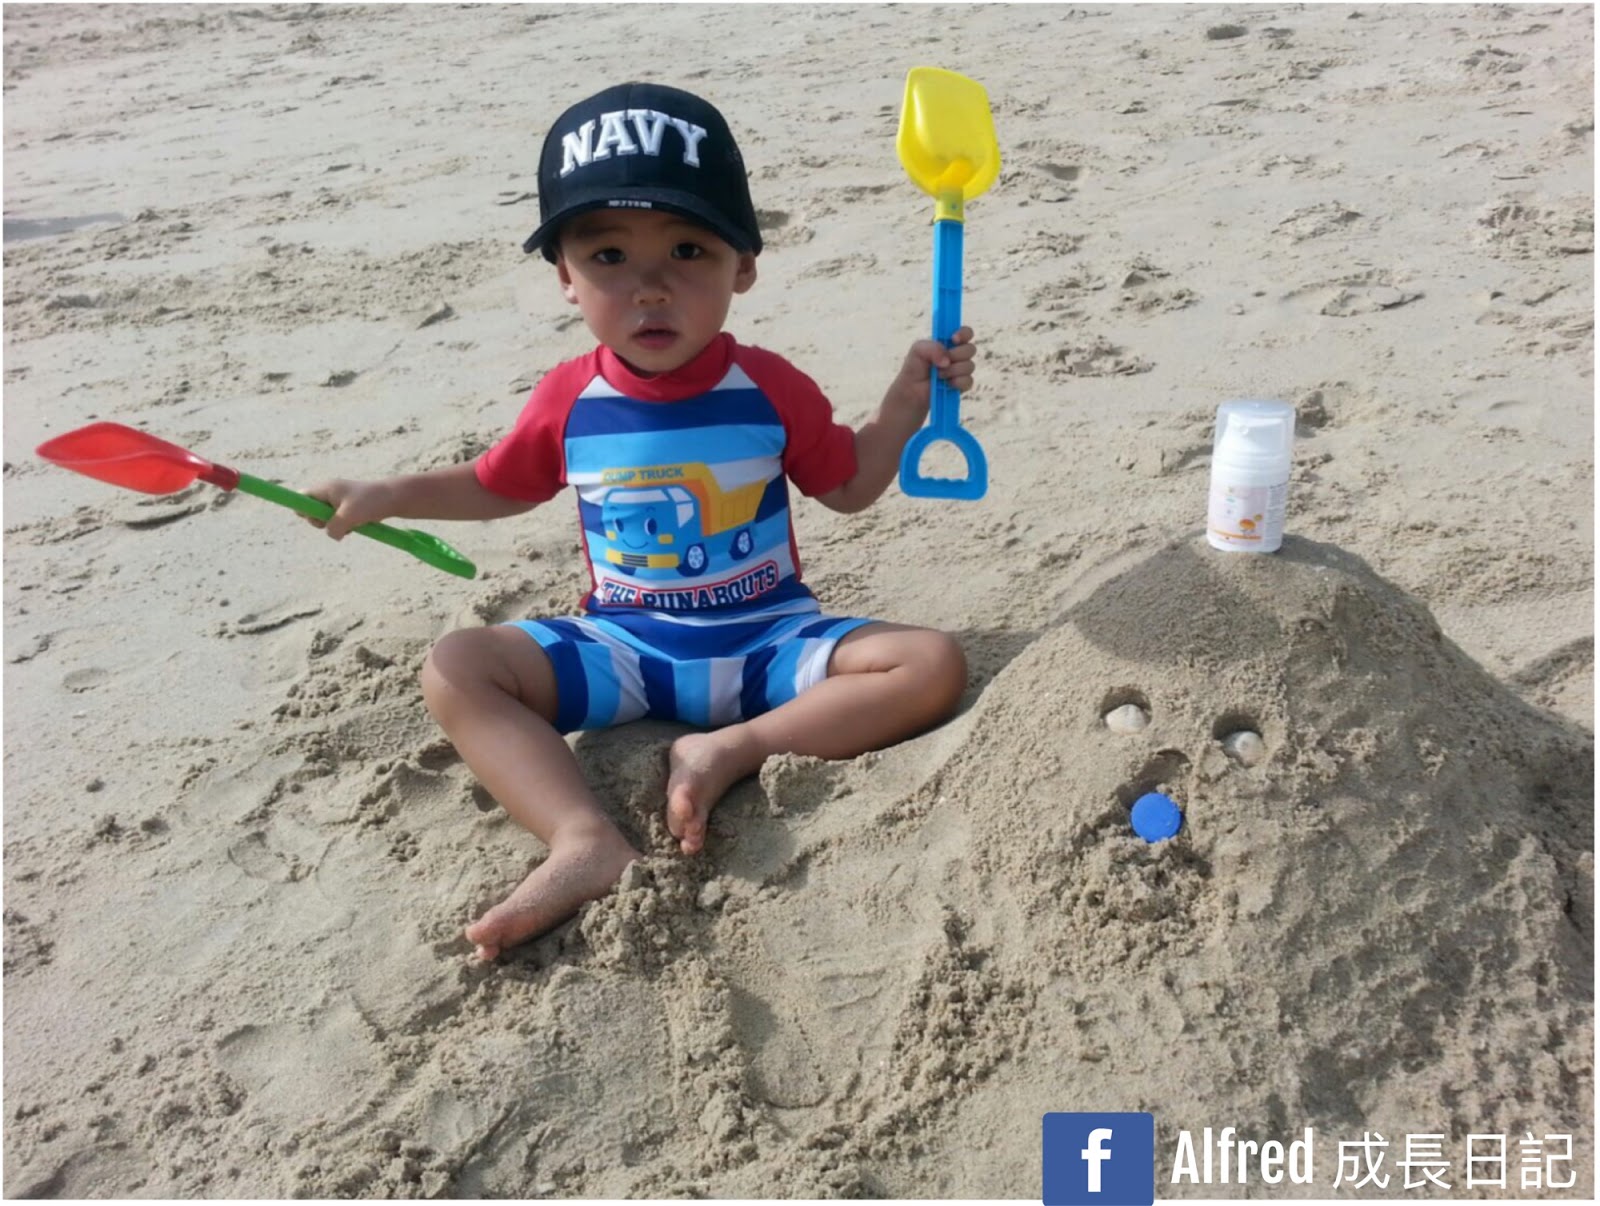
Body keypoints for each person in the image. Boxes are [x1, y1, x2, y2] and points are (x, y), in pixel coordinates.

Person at [307, 82, 977, 960]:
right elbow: (500, 484)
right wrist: (389, 494)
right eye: (609, 256)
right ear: (565, 276)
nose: (651, 287)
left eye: (688, 249)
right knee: (456, 667)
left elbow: (847, 486)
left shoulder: (769, 386)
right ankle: (581, 837)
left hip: (770, 644)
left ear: (743, 265)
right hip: (625, 651)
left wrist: (904, 404)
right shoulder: (568, 399)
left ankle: (735, 749)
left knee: (931, 661)